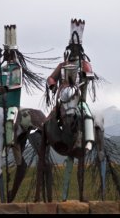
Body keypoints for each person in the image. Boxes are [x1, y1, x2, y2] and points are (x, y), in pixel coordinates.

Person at [46, 18, 96, 151]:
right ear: (68, 49)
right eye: (72, 48)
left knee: (87, 114)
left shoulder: (84, 65)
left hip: (78, 99)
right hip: (63, 100)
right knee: (49, 118)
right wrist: (52, 85)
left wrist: (86, 77)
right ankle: (45, 138)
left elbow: (90, 76)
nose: (74, 51)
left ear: (80, 49)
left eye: (76, 48)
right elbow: (51, 77)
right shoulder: (62, 65)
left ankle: (87, 140)